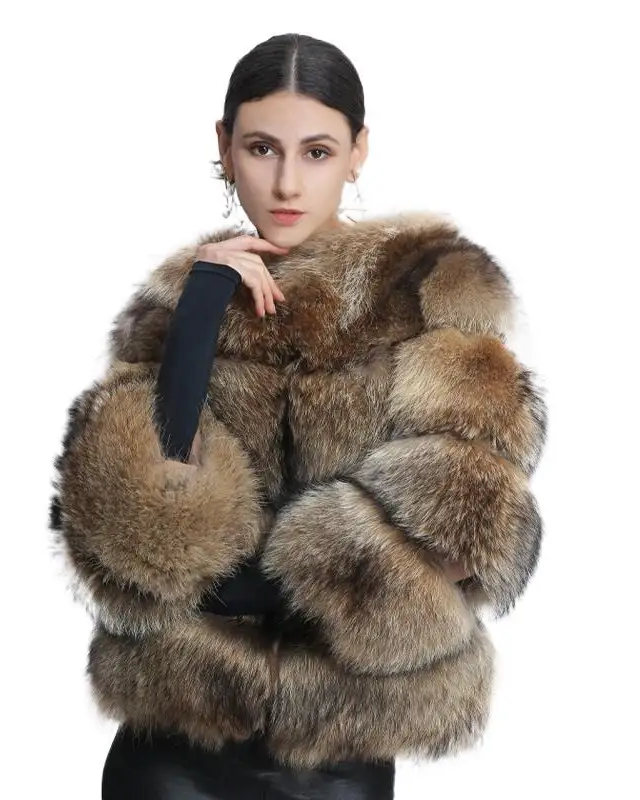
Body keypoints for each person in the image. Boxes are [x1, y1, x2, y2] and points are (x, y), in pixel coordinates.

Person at [49, 32, 547, 800]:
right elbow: (133, 542)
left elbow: (472, 537)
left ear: (358, 152)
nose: (286, 183)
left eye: (317, 152)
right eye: (261, 148)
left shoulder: (428, 296)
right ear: (224, 148)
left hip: (338, 751)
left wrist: (276, 562)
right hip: (176, 743)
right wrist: (200, 309)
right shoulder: (176, 309)